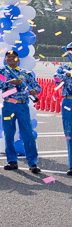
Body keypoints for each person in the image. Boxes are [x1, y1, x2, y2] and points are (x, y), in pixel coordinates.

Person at [0, 49, 41, 173]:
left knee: (28, 134)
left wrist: (34, 91)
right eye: (8, 57)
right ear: (5, 60)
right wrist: (10, 82)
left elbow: (37, 86)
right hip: (9, 105)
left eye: (14, 57)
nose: (11, 59)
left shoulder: (26, 73)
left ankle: (32, 163)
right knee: (9, 133)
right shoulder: (1, 71)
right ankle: (12, 161)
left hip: (22, 106)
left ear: (18, 59)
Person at [54, 43, 72, 176]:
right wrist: (67, 75)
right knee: (70, 134)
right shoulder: (64, 68)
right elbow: (55, 80)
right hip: (68, 102)